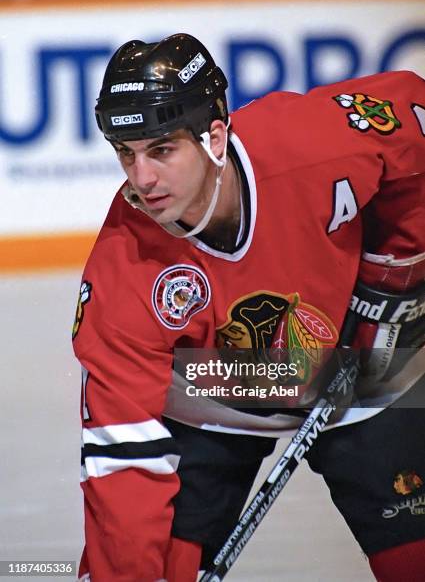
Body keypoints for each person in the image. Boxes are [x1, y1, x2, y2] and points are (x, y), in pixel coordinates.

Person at [73, 33, 425, 581]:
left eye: (161, 149)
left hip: (359, 360)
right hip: (216, 392)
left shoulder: (310, 143)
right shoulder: (123, 273)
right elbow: (124, 462)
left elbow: (413, 113)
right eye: (126, 153)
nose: (141, 180)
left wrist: (393, 272)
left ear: (214, 137)